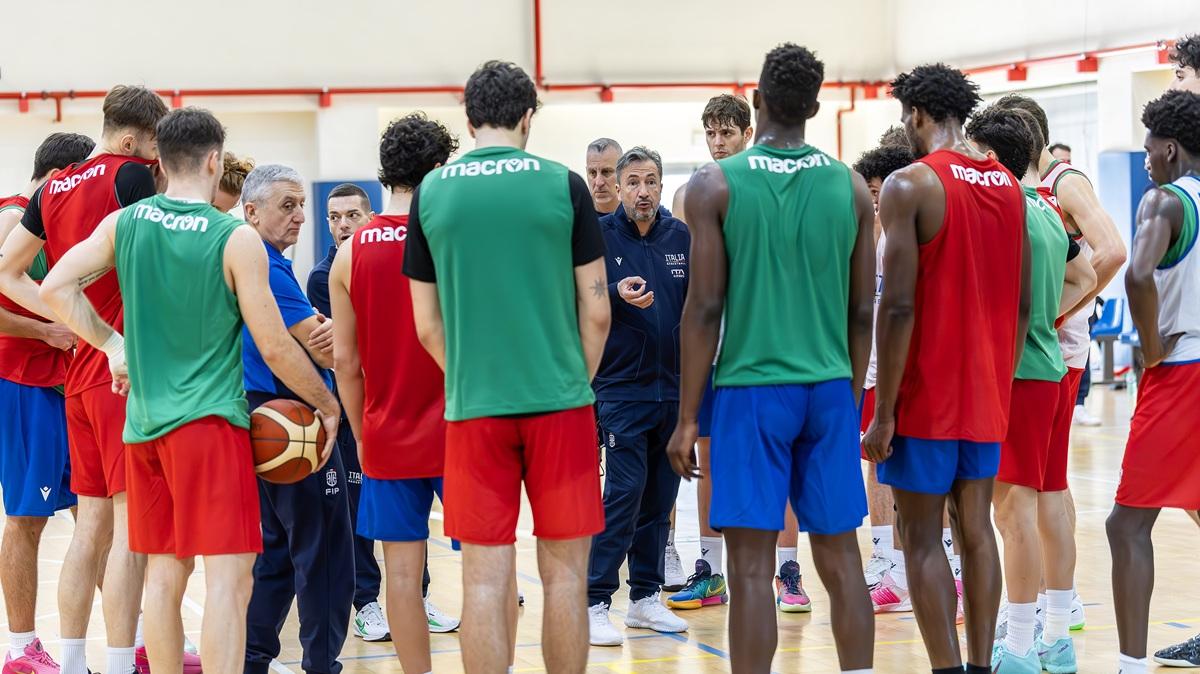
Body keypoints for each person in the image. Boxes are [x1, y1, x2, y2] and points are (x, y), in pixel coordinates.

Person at [37, 106, 339, 674]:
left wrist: (111, 345)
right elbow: (275, 347)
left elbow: (55, 285)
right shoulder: (235, 237)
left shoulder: (125, 224)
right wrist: (326, 404)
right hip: (208, 428)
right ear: (213, 160)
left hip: (143, 428)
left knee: (164, 573)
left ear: (159, 161)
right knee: (230, 577)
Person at [666, 43, 875, 673]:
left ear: (756, 102)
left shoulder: (716, 184)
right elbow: (863, 313)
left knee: (751, 570)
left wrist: (685, 418)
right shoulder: (850, 187)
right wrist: (851, 396)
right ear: (816, 106)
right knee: (842, 560)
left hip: (750, 392)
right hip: (830, 390)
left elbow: (703, 309)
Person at [403, 60, 610, 674]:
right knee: (568, 578)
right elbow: (596, 311)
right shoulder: (565, 184)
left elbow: (426, 325)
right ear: (528, 117)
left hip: (475, 409)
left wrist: (468, 373)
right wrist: (573, 380)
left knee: (485, 582)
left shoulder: (433, 191)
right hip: (561, 405)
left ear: (468, 121)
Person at [0, 85, 185, 674]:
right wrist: (114, 338)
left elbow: (9, 272)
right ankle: (122, 659)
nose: (158, 158)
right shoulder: (129, 176)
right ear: (133, 139)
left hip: (78, 374)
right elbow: (163, 270)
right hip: (120, 376)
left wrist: (77, 326)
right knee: (132, 528)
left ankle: (78, 660)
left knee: (92, 527)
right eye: (156, 145)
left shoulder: (52, 186)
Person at [862, 64, 1031, 674]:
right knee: (978, 530)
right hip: (986, 395)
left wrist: (884, 414)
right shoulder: (1010, 185)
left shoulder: (913, 184)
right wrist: (999, 388)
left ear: (917, 114)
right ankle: (982, 666)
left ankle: (947, 670)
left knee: (922, 537)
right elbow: (1023, 305)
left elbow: (898, 304)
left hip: (926, 395)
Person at [668, 92, 815, 614]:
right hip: (714, 346)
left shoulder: (771, 187)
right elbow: (690, 280)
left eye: (727, 132)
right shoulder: (689, 194)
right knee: (706, 459)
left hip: (766, 343)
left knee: (783, 458)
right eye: (710, 133)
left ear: (747, 134)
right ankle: (710, 570)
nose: (717, 141)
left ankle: (789, 570)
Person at [966, 104, 1097, 673]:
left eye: (971, 153)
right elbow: (1087, 275)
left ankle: (1018, 646)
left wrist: (1030, 324)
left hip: (1018, 373)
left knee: (1012, 512)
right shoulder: (1047, 209)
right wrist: (1050, 318)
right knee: (1046, 501)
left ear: (990, 157)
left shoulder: (1008, 209)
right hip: (1050, 372)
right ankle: (1056, 638)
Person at [330, 112, 460, 674]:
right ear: (437, 168)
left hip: (386, 432)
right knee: (488, 568)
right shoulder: (454, 238)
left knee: (401, 580)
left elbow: (344, 361)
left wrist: (363, 433)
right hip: (462, 428)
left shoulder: (349, 251)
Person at [994, 93, 1127, 628]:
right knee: (1051, 480)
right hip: (1049, 347)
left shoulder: (1064, 182)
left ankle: (1044, 603)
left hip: (1054, 348)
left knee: (1038, 485)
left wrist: (1059, 311)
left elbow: (1112, 251)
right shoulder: (1029, 191)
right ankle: (1054, 600)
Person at [239, 164, 355, 674]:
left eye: (301, 205)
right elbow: (325, 351)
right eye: (287, 206)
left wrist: (331, 332)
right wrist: (337, 337)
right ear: (251, 212)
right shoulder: (263, 264)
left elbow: (323, 337)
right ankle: (321, 666)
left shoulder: (266, 265)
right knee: (326, 556)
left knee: (279, 556)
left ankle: (252, 659)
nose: (301, 217)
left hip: (263, 419)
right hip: (297, 421)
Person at [1106, 90, 1200, 674]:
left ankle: (1130, 666)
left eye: (1147, 151)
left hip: (1183, 369)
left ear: (1169, 148)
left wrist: (1151, 346)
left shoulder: (1164, 202)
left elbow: (1139, 273)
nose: (1145, 161)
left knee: (1127, 523)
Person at [587, 146, 690, 647]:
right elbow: (574, 297)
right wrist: (613, 290)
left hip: (671, 392)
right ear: (620, 188)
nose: (642, 191)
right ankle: (595, 599)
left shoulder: (681, 236)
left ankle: (646, 599)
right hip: (621, 391)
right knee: (623, 495)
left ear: (661, 184)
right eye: (633, 182)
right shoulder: (599, 237)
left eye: (651, 180)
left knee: (660, 499)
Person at [0, 132, 92, 670]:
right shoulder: (13, 218)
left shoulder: (52, 225)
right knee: (27, 518)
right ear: (62, 175)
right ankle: (20, 649)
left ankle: (136, 636)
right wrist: (43, 333)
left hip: (66, 383)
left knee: (96, 514)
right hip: (22, 382)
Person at [307, 183, 406, 642]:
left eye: (350, 215)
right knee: (361, 513)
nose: (342, 224)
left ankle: (417, 598)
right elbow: (349, 349)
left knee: (413, 516)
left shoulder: (394, 259)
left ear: (370, 217)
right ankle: (367, 603)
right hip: (353, 410)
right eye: (333, 216)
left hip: (404, 401)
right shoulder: (323, 276)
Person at [586, 138, 622, 216]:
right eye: (592, 173)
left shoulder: (639, 215)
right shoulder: (574, 218)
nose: (599, 183)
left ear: (622, 173)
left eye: (606, 172)